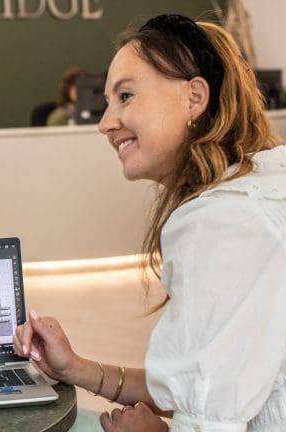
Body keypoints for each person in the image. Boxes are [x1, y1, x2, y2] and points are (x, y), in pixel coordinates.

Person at [14, 14, 286, 432]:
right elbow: (201, 382)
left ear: (195, 97)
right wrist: (76, 367)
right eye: (107, 101)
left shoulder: (223, 222)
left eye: (126, 95)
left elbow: (207, 418)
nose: (105, 123)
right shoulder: (262, 187)